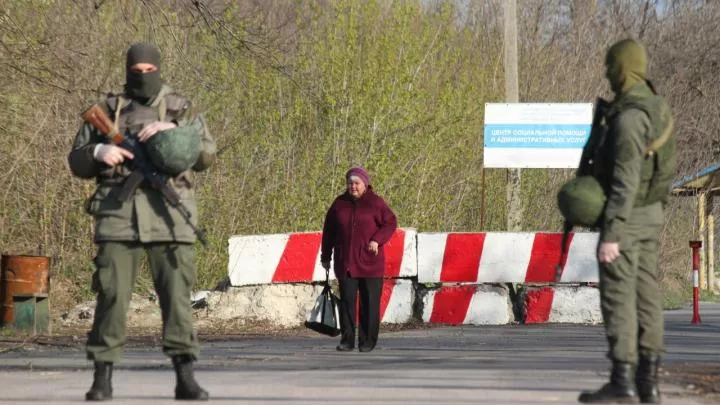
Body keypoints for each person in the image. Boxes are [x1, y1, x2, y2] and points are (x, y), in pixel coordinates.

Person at [68, 42, 216, 401]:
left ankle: (185, 375)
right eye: (138, 70)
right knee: (112, 296)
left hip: (170, 218)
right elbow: (76, 161)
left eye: (151, 70)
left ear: (160, 69)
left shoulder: (181, 108)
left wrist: (174, 133)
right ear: (128, 70)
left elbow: (206, 157)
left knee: (178, 298)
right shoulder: (108, 111)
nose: (144, 75)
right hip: (118, 215)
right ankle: (102, 377)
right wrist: (97, 152)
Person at [558, 38, 676, 404]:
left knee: (619, 300)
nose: (607, 72)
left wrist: (612, 233)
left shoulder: (628, 119)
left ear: (623, 68)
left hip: (625, 219)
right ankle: (648, 383)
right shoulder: (655, 108)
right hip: (649, 215)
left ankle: (622, 382)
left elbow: (625, 181)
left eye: (611, 65)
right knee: (646, 297)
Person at [320, 167, 398, 353]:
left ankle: (367, 341)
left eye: (356, 183)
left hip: (371, 263)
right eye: (350, 183)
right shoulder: (339, 204)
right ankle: (347, 340)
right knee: (347, 303)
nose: (353, 187)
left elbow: (391, 222)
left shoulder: (375, 203)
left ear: (365, 184)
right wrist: (325, 256)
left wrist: (376, 240)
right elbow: (329, 232)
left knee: (369, 303)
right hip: (346, 262)